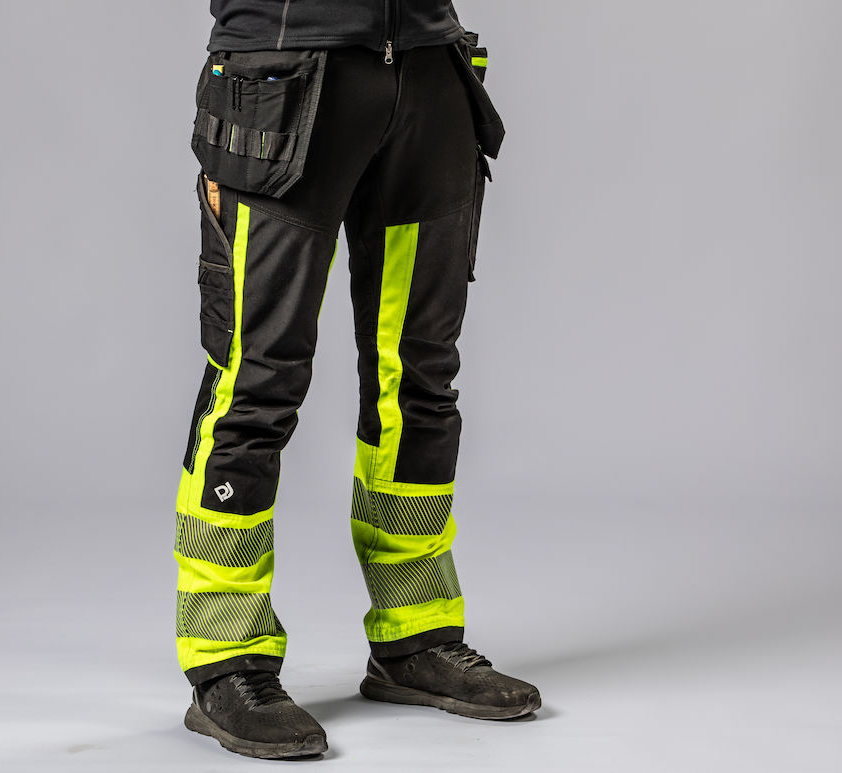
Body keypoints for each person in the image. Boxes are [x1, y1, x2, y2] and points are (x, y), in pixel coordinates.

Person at [174, 0, 541, 759]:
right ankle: (226, 660)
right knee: (255, 380)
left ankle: (416, 638)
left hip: (428, 73)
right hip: (283, 79)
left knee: (419, 381)